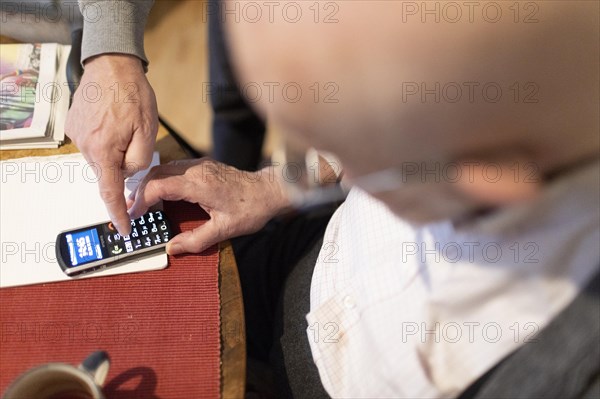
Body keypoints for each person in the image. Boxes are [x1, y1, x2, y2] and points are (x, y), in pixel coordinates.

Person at [68, 0, 599, 397]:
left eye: (355, 157)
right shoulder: (445, 126)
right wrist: (273, 186)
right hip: (309, 263)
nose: (332, 171)